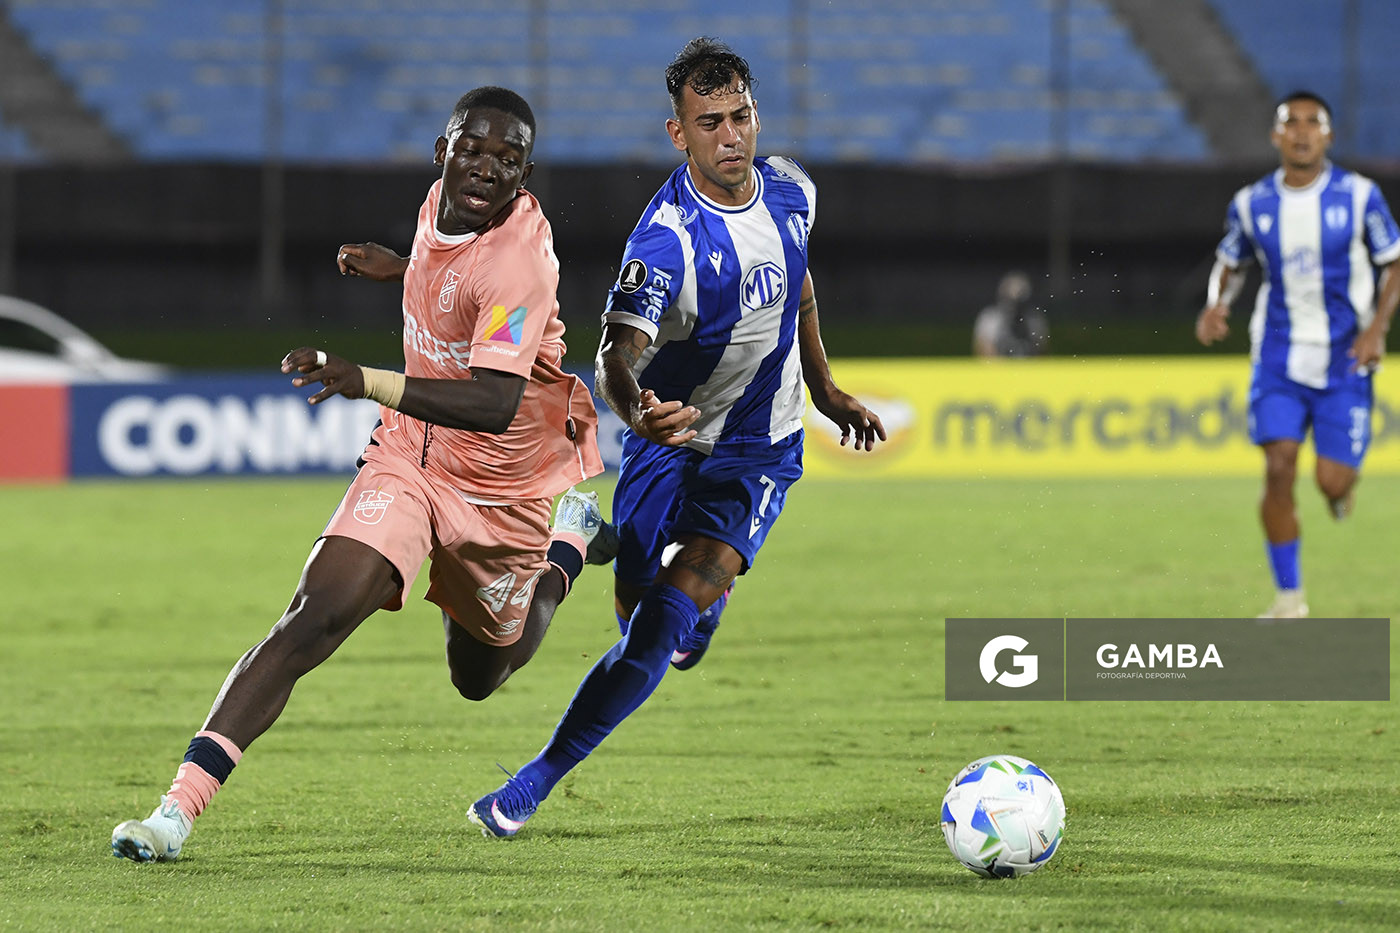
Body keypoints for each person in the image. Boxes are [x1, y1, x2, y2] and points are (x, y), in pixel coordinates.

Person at [110, 86, 610, 862]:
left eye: (507, 160)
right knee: (312, 614)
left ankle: (568, 547)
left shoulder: (522, 260)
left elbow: (492, 400)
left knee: (481, 673)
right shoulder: (438, 204)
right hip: (411, 456)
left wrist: (364, 378)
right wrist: (404, 270)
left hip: (504, 485)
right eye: (471, 150)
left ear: (527, 173)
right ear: (441, 151)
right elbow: (452, 277)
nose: (484, 169)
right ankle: (173, 812)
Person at [466, 38, 886, 839]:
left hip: (760, 450)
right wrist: (636, 410)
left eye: (741, 117)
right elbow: (615, 354)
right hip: (669, 439)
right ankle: (604, 539)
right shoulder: (665, 241)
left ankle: (531, 782)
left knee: (664, 622)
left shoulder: (794, 189)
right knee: (634, 610)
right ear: (678, 133)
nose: (731, 137)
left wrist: (825, 390)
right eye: (710, 123)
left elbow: (796, 280)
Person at [1196, 90, 1400, 619]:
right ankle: (1290, 599)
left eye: (1314, 123)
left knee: (1331, 480)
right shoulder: (1251, 203)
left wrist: (1377, 329)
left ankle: (1339, 492)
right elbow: (1230, 261)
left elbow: (1394, 263)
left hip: (1344, 359)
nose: (1303, 131)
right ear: (1276, 135)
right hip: (1278, 357)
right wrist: (1216, 304)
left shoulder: (1359, 196)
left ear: (1328, 136)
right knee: (1279, 467)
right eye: (1292, 123)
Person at [973, 270, 1049, 357]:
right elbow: (983, 352)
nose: (1014, 307)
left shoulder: (1035, 319)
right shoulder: (990, 318)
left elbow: (1042, 353)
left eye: (1019, 302)